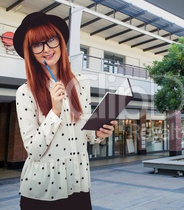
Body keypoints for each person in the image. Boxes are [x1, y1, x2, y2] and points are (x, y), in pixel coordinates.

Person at [13, 12, 116, 209]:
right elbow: (33, 151)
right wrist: (55, 111)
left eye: (51, 40)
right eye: (37, 44)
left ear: (60, 41)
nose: (46, 49)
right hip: (42, 192)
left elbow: (83, 133)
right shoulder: (25, 92)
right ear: (30, 51)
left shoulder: (81, 83)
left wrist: (98, 133)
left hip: (78, 184)